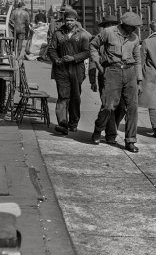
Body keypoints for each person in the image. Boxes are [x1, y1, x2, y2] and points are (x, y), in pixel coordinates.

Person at [89, 11, 143, 152]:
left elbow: (137, 60)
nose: (133, 29)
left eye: (135, 27)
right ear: (123, 24)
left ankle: (130, 140)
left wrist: (139, 80)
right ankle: (98, 130)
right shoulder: (108, 32)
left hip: (130, 72)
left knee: (132, 107)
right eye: (131, 26)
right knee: (108, 106)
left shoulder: (135, 38)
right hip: (112, 71)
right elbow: (93, 46)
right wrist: (97, 62)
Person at [46, 9, 91, 135]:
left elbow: (87, 52)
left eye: (72, 20)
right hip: (61, 69)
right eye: (67, 20)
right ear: (64, 20)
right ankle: (62, 123)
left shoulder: (82, 34)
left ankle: (73, 123)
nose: (69, 22)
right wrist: (56, 59)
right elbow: (51, 49)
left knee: (75, 97)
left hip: (77, 69)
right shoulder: (58, 34)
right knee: (63, 96)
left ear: (76, 21)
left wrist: (74, 58)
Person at [88, 13, 122, 145]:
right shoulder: (99, 40)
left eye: (113, 25)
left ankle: (111, 132)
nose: (111, 28)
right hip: (105, 75)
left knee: (120, 107)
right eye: (108, 25)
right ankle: (101, 132)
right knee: (107, 106)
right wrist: (92, 81)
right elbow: (92, 61)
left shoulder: (121, 38)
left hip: (121, 77)